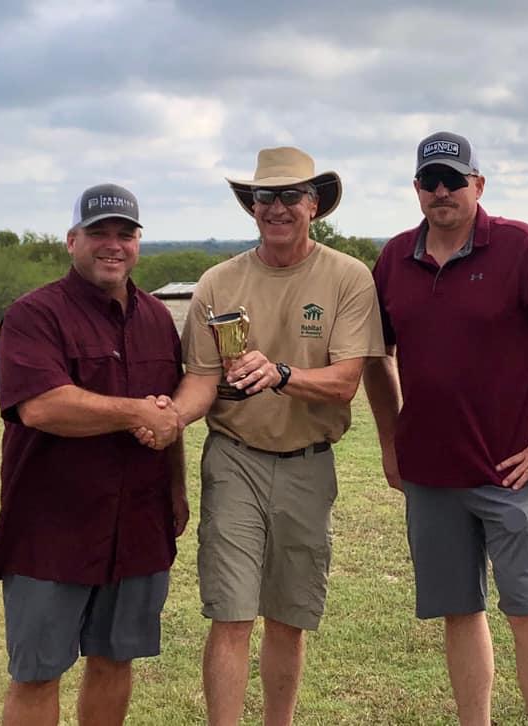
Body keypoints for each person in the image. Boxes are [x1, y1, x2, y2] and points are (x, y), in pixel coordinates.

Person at [364, 132, 528, 726]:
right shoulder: (395, 258)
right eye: (430, 181)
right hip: (430, 473)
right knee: (460, 612)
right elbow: (376, 356)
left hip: (510, 471)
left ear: (479, 184)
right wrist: (391, 440)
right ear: (416, 189)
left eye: (454, 179)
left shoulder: (522, 247)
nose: (442, 191)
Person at [170, 146, 385, 725]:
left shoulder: (348, 277)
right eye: (265, 196)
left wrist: (282, 374)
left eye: (291, 195)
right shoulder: (218, 282)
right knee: (232, 614)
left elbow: (345, 382)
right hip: (234, 457)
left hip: (308, 461)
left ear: (314, 204)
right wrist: (168, 418)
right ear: (251, 207)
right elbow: (199, 380)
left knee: (289, 618)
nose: (278, 207)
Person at [0, 183, 187, 726]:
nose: (112, 245)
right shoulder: (34, 315)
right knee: (38, 672)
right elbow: (43, 407)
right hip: (52, 525)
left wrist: (177, 493)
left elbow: (169, 415)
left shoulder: (158, 319)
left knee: (115, 659)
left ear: (139, 244)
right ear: (72, 241)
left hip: (139, 520)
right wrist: (137, 413)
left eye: (125, 234)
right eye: (99, 234)